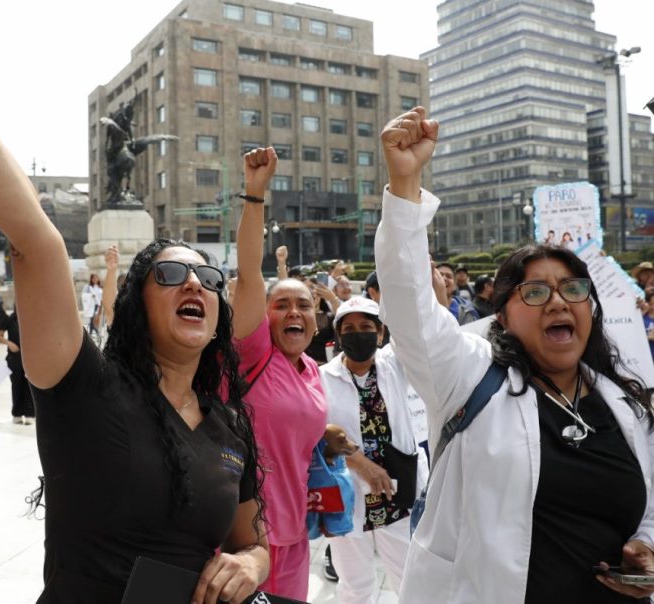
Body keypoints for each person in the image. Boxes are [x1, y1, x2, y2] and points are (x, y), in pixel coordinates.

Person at [0, 7, 268, 604]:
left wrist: (254, 563)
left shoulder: (230, 423)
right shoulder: (84, 386)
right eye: (170, 274)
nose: (195, 285)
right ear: (135, 303)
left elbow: (251, 539)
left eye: (207, 276)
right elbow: (35, 238)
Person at [375, 106, 654, 603]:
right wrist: (404, 186)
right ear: (500, 315)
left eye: (571, 289)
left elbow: (646, 505)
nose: (557, 302)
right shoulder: (468, 377)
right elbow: (408, 300)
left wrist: (645, 547)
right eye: (535, 293)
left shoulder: (624, 402)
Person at [232, 146, 327, 600]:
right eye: (281, 304)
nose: (294, 311)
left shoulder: (312, 369)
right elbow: (249, 273)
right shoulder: (253, 355)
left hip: (295, 536)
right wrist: (256, 194)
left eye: (304, 304)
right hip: (242, 541)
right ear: (263, 317)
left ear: (316, 319)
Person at [320, 297, 427, 601]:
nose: (358, 334)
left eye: (367, 327)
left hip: (397, 494)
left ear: (380, 334)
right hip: (348, 497)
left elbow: (422, 330)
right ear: (339, 336)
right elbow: (317, 432)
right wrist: (361, 464)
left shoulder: (396, 364)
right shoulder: (321, 378)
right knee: (355, 585)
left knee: (411, 579)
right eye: (349, 328)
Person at [0, 306, 35, 425]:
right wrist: (9, 344)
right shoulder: (9, 319)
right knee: (16, 386)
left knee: (29, 386)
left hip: (30, 358)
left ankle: (30, 413)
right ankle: (17, 413)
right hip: (14, 359)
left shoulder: (32, 318)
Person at [81, 272, 103, 340]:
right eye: (94, 278)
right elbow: (83, 295)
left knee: (95, 320)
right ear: (91, 279)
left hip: (98, 306)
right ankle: (96, 333)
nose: (95, 279)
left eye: (96, 278)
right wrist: (91, 296)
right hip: (92, 306)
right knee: (92, 320)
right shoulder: (88, 287)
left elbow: (102, 297)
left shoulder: (100, 287)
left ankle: (90, 334)